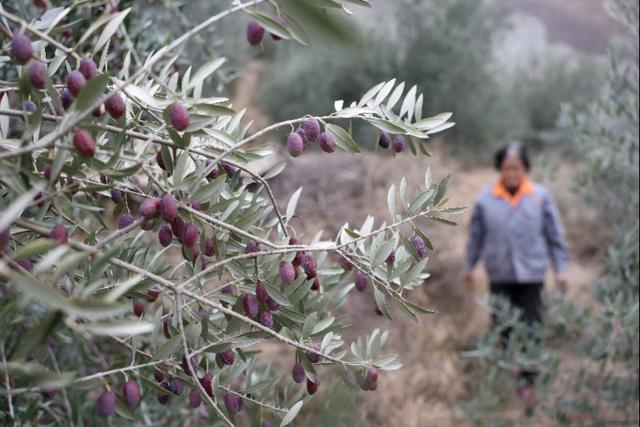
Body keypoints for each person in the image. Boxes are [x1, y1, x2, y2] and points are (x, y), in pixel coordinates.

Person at [463, 142, 570, 411]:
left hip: (532, 274)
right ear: (500, 168)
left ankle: (527, 381)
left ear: (525, 168)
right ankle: (504, 370)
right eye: (507, 167)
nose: (511, 172)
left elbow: (555, 236)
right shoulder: (486, 199)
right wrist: (469, 265)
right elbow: (476, 236)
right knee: (502, 326)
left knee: (531, 327)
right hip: (499, 273)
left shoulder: (540, 196)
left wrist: (561, 270)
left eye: (517, 167)